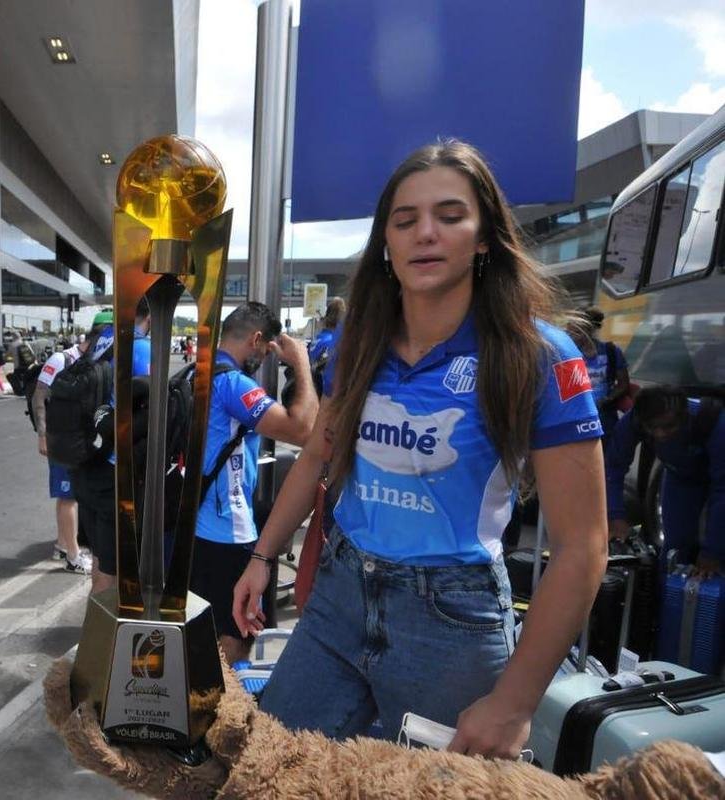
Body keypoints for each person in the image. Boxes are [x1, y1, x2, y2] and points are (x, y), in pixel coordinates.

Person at [232, 140, 607, 759]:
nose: (425, 234)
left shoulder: (539, 356)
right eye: (404, 221)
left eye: (450, 216)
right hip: (339, 596)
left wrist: (514, 704)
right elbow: (322, 456)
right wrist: (262, 556)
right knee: (270, 770)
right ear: (386, 242)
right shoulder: (360, 339)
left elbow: (583, 545)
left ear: (485, 236)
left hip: (451, 621)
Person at [191, 302, 318, 664]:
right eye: (265, 351)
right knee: (238, 630)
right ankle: (227, 705)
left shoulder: (194, 372)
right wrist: (302, 364)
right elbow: (305, 430)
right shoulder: (232, 384)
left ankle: (203, 698)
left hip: (193, 524)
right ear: (257, 339)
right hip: (229, 529)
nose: (264, 360)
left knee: (204, 624)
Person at [71, 303, 151, 594]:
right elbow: (151, 404)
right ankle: (100, 638)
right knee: (112, 572)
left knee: (101, 560)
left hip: (88, 462)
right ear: (151, 317)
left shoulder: (102, 340)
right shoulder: (140, 348)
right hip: (115, 471)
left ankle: (96, 630)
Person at [605, 385, 724, 578]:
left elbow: (723, 492)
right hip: (682, 478)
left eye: (668, 426)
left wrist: (712, 553)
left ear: (684, 417)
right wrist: (616, 516)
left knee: (716, 557)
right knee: (674, 549)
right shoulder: (634, 420)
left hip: (720, 477)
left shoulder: (714, 423)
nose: (660, 433)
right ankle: (665, 598)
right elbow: (613, 468)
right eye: (653, 427)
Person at [33, 336, 94, 575]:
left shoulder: (85, 360)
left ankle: (62, 544)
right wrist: (42, 434)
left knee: (67, 494)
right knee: (69, 496)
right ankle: (73, 556)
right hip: (59, 438)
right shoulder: (61, 359)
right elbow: (39, 395)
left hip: (70, 438)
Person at [566, 305, 630, 443]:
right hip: (576, 418)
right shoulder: (566, 354)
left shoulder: (611, 351)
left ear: (588, 330)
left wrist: (607, 399)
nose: (568, 334)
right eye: (568, 329)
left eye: (574, 330)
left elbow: (623, 384)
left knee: (605, 456)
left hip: (605, 419)